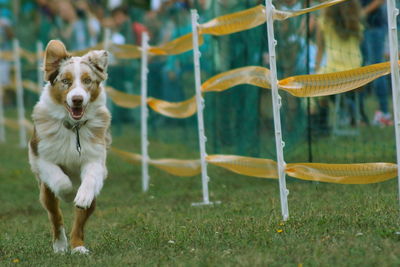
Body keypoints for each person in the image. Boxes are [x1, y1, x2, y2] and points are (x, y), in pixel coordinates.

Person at [315, 0, 364, 132]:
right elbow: (360, 43)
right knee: (335, 90)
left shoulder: (324, 23)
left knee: (314, 89)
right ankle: (349, 107)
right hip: (356, 72)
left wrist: (316, 70)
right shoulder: (356, 24)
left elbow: (320, 49)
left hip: (333, 71)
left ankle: (321, 125)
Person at [360, 0, 392, 126]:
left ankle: (384, 113)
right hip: (363, 27)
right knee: (362, 69)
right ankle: (359, 115)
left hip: (375, 27)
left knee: (377, 68)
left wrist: (364, 12)